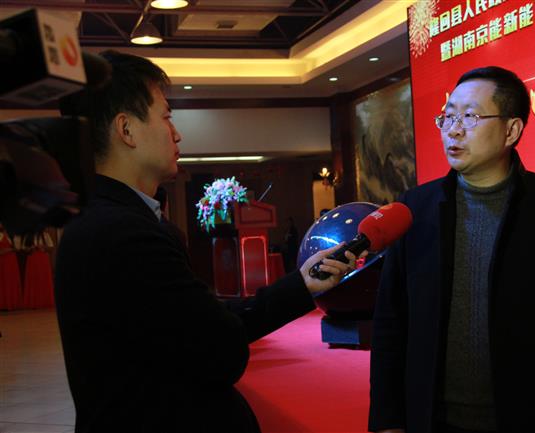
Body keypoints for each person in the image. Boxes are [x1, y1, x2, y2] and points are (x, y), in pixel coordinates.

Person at [54, 50, 360, 433]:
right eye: (166, 116)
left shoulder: (105, 218)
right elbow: (218, 350)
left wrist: (302, 284)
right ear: (126, 130)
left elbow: (197, 322)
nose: (177, 133)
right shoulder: (124, 233)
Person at [368, 66, 535, 433]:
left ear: (511, 131)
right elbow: (391, 322)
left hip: (531, 419)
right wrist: (387, 420)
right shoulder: (414, 208)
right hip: (433, 420)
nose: (453, 129)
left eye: (470, 116)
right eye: (448, 116)